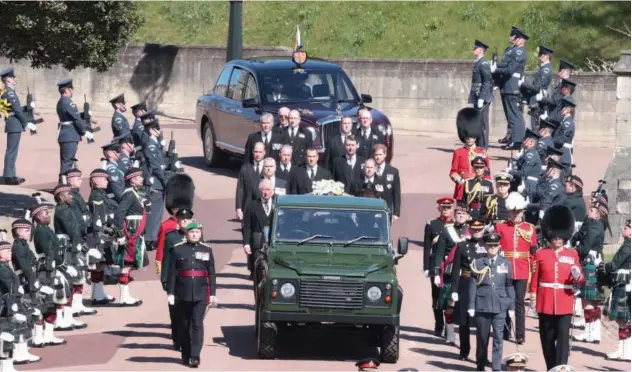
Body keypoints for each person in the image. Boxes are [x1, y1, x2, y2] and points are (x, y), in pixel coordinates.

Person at [530, 205, 584, 370]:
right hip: (545, 301)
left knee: (563, 338)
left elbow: (580, 278)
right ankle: (551, 367)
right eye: (555, 236)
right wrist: (533, 296)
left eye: (560, 236)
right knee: (547, 338)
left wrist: (577, 275)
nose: (557, 239)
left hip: (565, 301)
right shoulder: (540, 254)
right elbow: (535, 278)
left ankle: (561, 368)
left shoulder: (572, 254)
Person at [167, 221, 217, 367]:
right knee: (184, 325)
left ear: (201, 234)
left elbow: (211, 273)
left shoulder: (207, 250)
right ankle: (186, 353)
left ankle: (195, 356)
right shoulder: (177, 250)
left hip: (201, 293)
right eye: (192, 232)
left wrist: (213, 293)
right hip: (182, 293)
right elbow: (172, 273)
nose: (195, 234)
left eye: (197, 232)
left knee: (197, 324)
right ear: (186, 234)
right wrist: (170, 292)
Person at [469, 232, 515, 371]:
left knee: (498, 339)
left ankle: (496, 368)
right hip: (482, 305)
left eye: (495, 245)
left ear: (499, 246)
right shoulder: (478, 262)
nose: (492, 248)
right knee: (482, 338)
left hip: (500, 305)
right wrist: (471, 305)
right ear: (485, 246)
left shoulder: (505, 263)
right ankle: (481, 365)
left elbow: (509, 286)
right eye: (489, 245)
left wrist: (511, 306)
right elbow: (472, 285)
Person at [495, 192, 536, 344]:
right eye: (514, 212)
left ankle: (520, 334)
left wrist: (533, 270)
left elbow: (532, 253)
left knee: (519, 302)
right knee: (505, 300)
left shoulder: (529, 229)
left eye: (519, 211)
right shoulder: (501, 227)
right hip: (505, 269)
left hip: (523, 269)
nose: (516, 215)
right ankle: (505, 329)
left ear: (523, 212)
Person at [29, 200, 68, 347]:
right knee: (47, 302)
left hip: (51, 267)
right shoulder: (41, 231)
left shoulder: (45, 229)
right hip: (47, 270)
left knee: (52, 301)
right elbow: (48, 251)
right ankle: (42, 336)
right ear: (38, 217)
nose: (48, 215)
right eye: (45, 213)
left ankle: (49, 334)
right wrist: (60, 263)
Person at [52, 183, 88, 331]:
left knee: (72, 282)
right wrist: (79, 245)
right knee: (68, 282)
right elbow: (73, 230)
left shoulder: (66, 209)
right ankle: (62, 318)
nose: (71, 196)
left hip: (70, 244)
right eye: (68, 194)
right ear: (61, 197)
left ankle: (68, 316)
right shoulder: (62, 211)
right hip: (66, 247)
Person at [433, 202, 470, 345]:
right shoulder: (447, 230)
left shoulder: (472, 231)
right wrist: (436, 272)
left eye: (464, 214)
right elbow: (439, 252)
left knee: (464, 306)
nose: (461, 216)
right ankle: (450, 334)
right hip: (449, 272)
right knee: (450, 305)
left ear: (467, 216)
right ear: (455, 215)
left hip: (466, 273)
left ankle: (463, 337)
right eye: (459, 214)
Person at [450, 219, 487, 361]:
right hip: (465, 282)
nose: (477, 232)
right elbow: (456, 269)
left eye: (480, 229)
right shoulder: (462, 246)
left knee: (482, 321)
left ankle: (481, 354)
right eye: (474, 229)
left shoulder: (488, 245)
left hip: (483, 283)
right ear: (470, 230)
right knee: (464, 321)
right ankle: (464, 350)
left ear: (484, 229)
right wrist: (454, 289)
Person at [9, 218, 45, 364]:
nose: (29, 232)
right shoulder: (18, 247)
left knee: (31, 314)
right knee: (25, 316)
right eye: (27, 230)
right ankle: (20, 351)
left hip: (28, 280)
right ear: (18, 233)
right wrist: (33, 282)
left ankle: (25, 348)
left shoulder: (23, 245)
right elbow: (25, 267)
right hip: (24, 283)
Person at [572, 202, 609, 343]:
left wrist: (575, 250)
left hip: (589, 264)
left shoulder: (594, 227)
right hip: (595, 264)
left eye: (592, 210)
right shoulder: (599, 225)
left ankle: (589, 333)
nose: (589, 212)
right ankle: (595, 332)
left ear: (598, 213)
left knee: (587, 300)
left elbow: (585, 249)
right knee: (593, 302)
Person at [112, 167, 148, 307]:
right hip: (131, 233)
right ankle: (123, 297)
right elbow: (119, 214)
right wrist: (120, 234)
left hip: (135, 232)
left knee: (130, 264)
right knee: (126, 264)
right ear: (132, 179)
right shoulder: (129, 194)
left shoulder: (134, 193)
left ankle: (125, 295)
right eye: (139, 177)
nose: (142, 179)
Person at [161, 208, 194, 351]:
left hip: (190, 280)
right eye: (182, 219)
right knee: (175, 312)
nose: (184, 221)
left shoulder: (196, 235)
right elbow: (166, 259)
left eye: (187, 219)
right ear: (178, 222)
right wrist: (164, 278)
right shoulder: (171, 237)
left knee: (190, 312)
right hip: (175, 280)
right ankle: (177, 337)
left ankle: (189, 338)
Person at [599, 219, 631, 361]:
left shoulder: (628, 246)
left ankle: (624, 351)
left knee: (622, 319)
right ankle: (625, 350)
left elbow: (614, 264)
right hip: (626, 284)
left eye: (627, 227)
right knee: (625, 319)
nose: (624, 229)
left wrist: (602, 266)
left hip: (624, 284)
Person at [423, 197, 455, 337]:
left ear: (452, 209)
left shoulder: (456, 225)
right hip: (435, 265)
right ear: (439, 208)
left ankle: (449, 326)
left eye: (448, 207)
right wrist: (425, 266)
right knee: (436, 296)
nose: (446, 210)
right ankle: (438, 324)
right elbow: (427, 247)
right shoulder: (432, 224)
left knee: (449, 297)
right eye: (444, 207)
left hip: (451, 265)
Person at [493, 26, 528, 149]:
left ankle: (518, 141)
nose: (510, 37)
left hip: (512, 85)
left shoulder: (519, 52)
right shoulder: (511, 50)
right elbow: (505, 64)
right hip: (506, 85)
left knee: (515, 115)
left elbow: (510, 69)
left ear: (518, 39)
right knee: (510, 115)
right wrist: (496, 64)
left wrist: (496, 69)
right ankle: (513, 138)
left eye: (512, 36)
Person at [86, 168, 116, 305]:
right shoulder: (97, 196)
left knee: (102, 264)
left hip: (105, 232)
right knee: (98, 265)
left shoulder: (102, 194)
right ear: (96, 182)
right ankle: (95, 294)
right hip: (99, 233)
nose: (107, 181)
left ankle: (99, 291)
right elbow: (98, 217)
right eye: (104, 179)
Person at [1, 67, 36, 185]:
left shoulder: (9, 92)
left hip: (14, 122)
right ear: (8, 80)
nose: (15, 79)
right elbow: (16, 110)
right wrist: (26, 123)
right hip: (14, 122)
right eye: (13, 77)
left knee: (14, 151)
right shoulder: (9, 92)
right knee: (11, 150)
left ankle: (12, 175)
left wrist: (27, 107)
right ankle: (8, 176)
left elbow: (17, 108)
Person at [156, 173, 195, 277]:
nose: (178, 210)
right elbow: (161, 247)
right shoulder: (165, 226)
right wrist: (159, 261)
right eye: (176, 208)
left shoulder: (194, 225)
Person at [55, 78, 93, 183]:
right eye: (72, 89)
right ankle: (63, 186)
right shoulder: (69, 102)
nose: (73, 91)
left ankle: (63, 184)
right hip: (70, 135)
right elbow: (76, 119)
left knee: (66, 161)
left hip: (65, 134)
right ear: (67, 89)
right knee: (68, 162)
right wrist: (84, 131)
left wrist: (84, 115)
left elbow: (69, 116)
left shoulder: (61, 101)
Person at [140, 111, 168, 252]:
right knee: (154, 213)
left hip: (158, 181)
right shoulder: (151, 145)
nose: (159, 131)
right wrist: (166, 182)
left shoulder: (154, 143)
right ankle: (150, 239)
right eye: (157, 128)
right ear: (151, 130)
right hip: (156, 183)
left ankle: (153, 237)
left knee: (158, 214)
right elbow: (156, 166)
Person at [450, 107, 490, 200]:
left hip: (478, 188)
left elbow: (487, 173)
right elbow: (453, 172)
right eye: (467, 136)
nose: (469, 138)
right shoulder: (458, 152)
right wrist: (459, 180)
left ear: (475, 136)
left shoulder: (482, 153)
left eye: (471, 136)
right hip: (462, 188)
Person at [242, 179, 274, 279]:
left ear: (272, 191)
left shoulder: (277, 204)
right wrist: (246, 244)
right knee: (258, 269)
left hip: (273, 240)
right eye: (263, 190)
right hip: (257, 242)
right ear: (260, 191)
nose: (265, 192)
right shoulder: (252, 206)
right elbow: (247, 226)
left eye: (268, 189)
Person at [519, 45, 553, 131]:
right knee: (535, 123)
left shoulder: (546, 70)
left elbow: (538, 87)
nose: (539, 57)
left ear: (547, 57)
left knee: (536, 125)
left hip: (539, 100)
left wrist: (524, 84)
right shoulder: (543, 68)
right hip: (536, 99)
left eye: (541, 55)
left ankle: (535, 143)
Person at [468, 40, 493, 149]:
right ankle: (479, 144)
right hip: (476, 95)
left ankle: (483, 146)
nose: (473, 50)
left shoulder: (483, 63)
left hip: (481, 97)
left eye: (475, 48)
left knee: (483, 122)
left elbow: (486, 82)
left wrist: (482, 97)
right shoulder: (478, 62)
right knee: (477, 121)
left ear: (480, 51)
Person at [508, 129, 542, 201]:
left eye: (525, 139)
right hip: (525, 183)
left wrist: (510, 171)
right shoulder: (528, 153)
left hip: (528, 185)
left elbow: (523, 173)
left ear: (531, 142)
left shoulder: (531, 154)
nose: (523, 140)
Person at [236, 142, 266, 221]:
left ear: (264, 152)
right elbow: (240, 189)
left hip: (263, 209)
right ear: (252, 152)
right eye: (256, 152)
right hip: (247, 208)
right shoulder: (245, 168)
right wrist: (238, 208)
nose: (257, 154)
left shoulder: (268, 168)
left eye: (260, 152)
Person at [374, 143, 401, 220]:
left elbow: (396, 193)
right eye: (376, 155)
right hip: (373, 209)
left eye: (380, 154)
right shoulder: (370, 169)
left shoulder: (393, 171)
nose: (378, 157)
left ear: (385, 155)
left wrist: (396, 213)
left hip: (386, 209)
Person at [554, 97, 576, 171]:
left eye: (563, 107)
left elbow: (561, 140)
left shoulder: (568, 123)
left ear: (568, 110)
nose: (561, 109)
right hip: (561, 153)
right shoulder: (564, 121)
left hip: (564, 155)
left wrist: (550, 141)